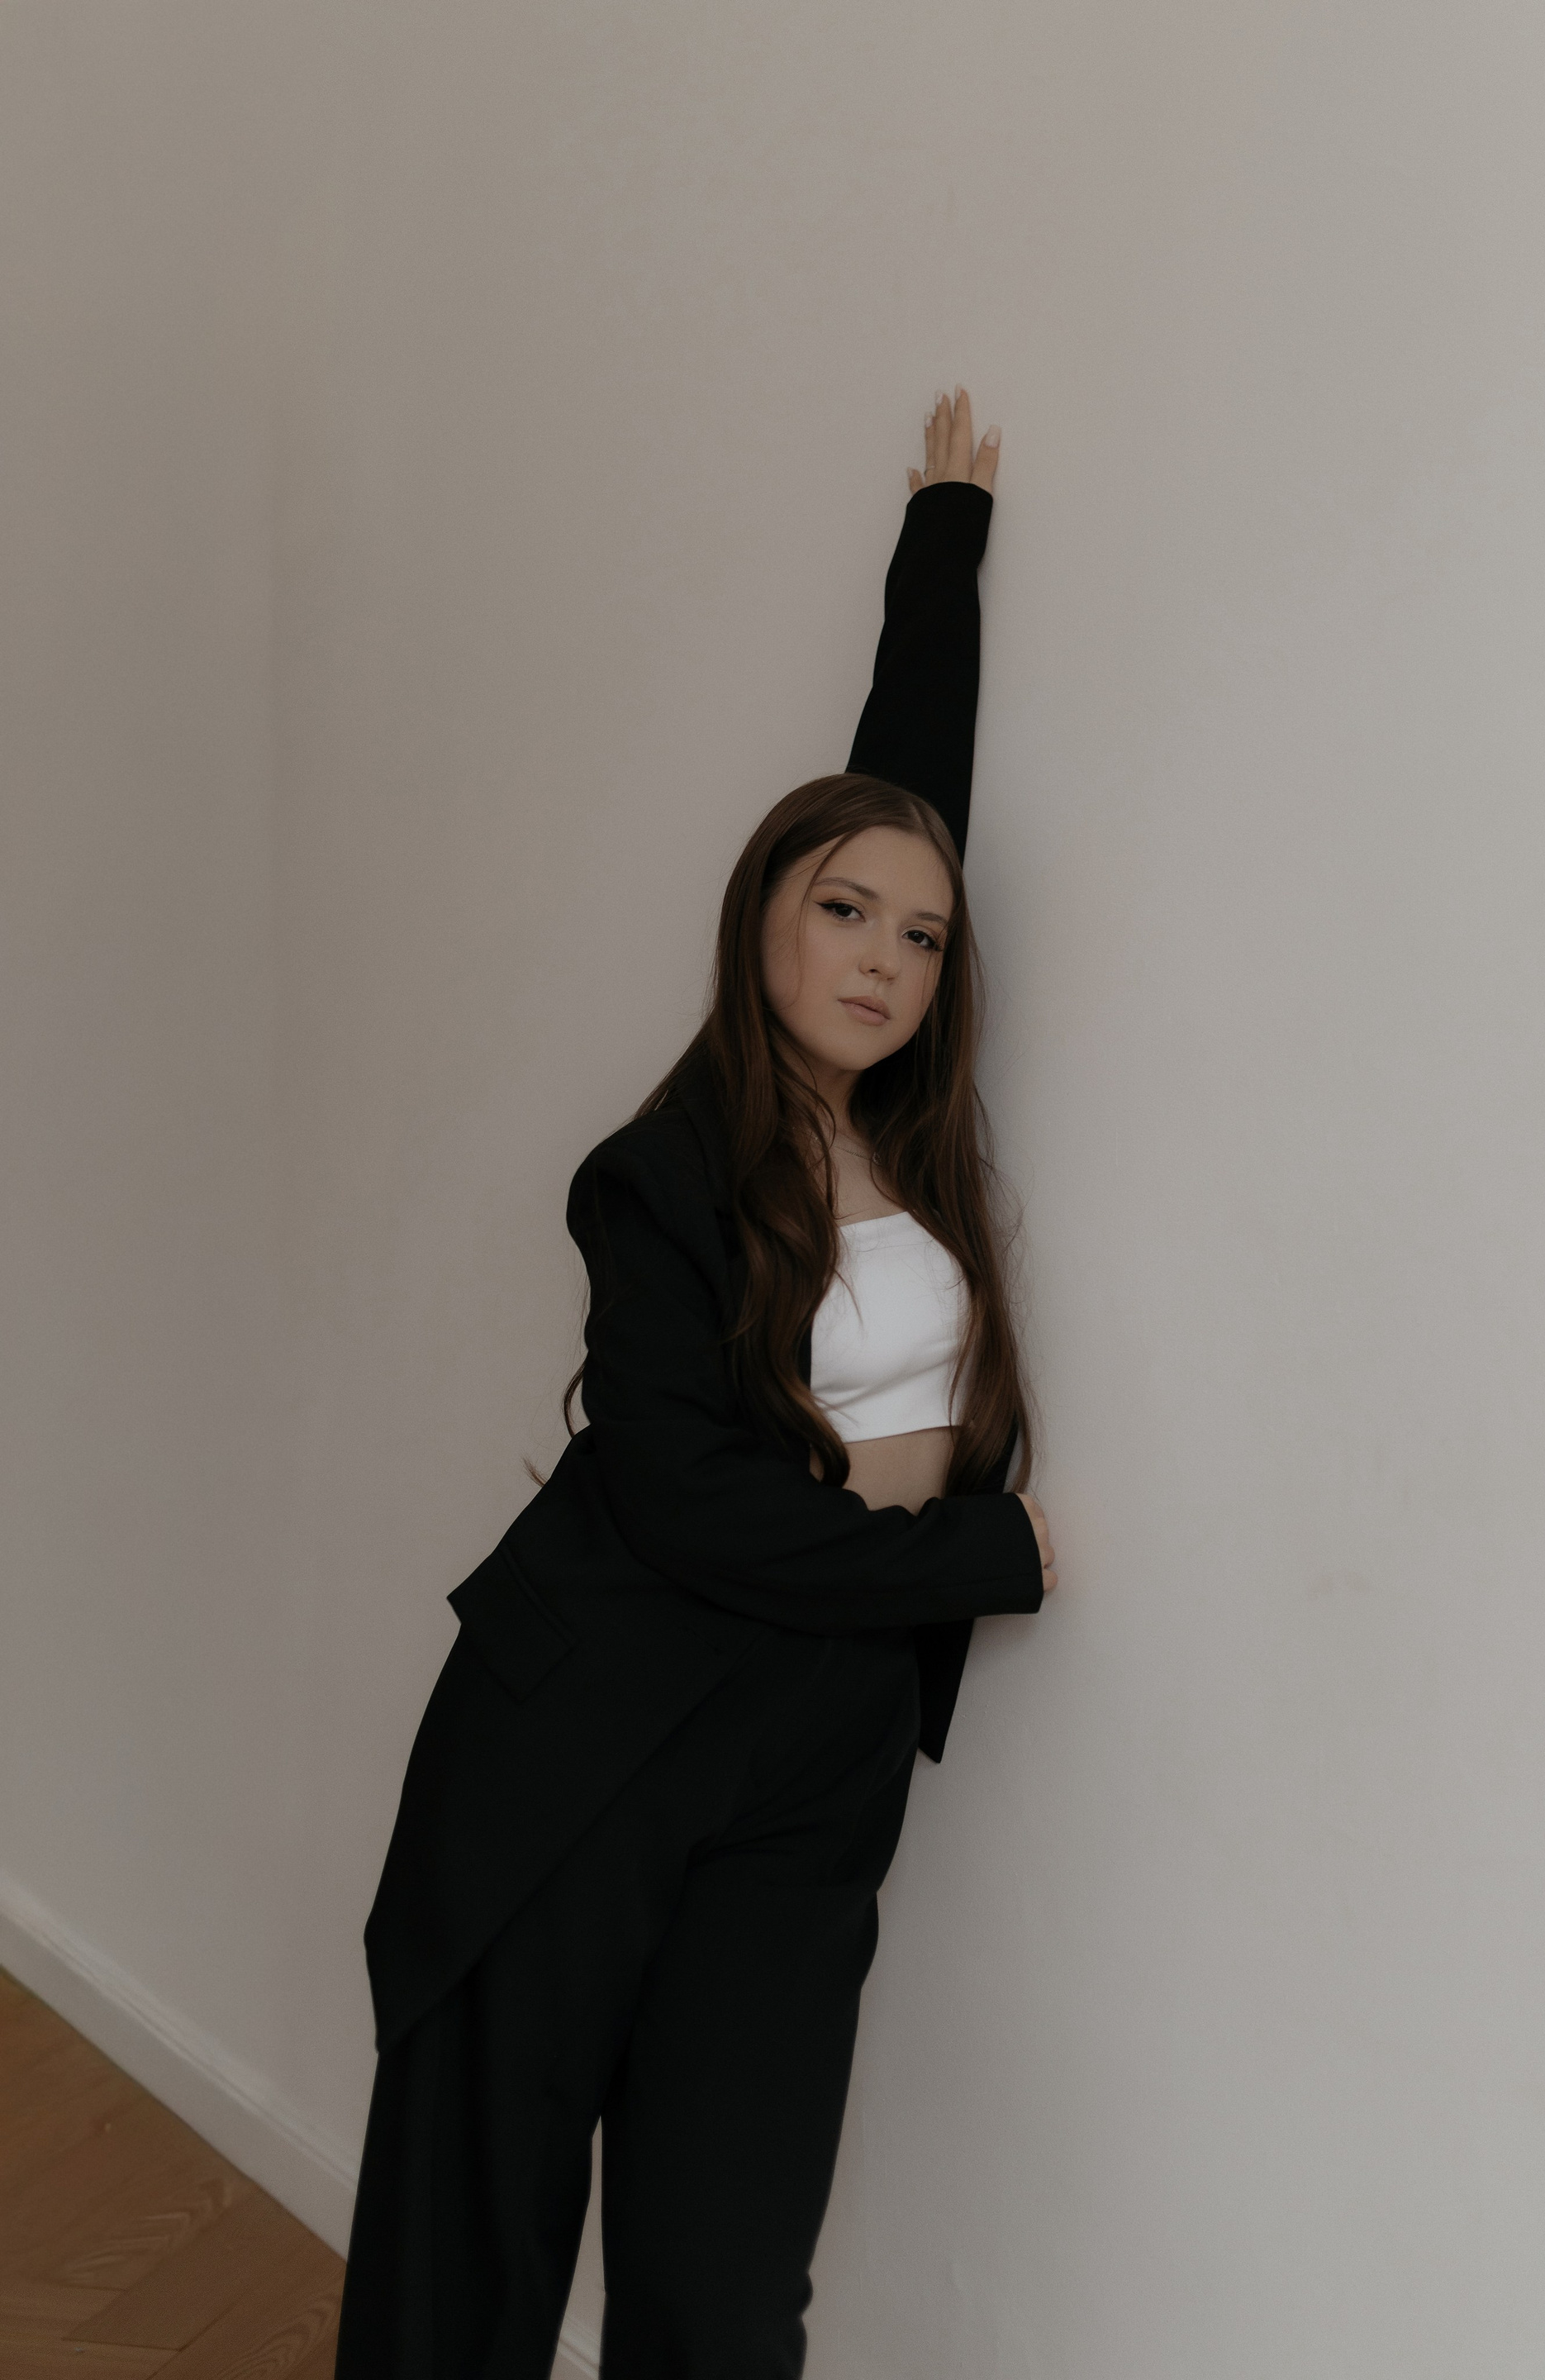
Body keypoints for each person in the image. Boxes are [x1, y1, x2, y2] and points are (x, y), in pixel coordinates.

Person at [333, 388, 1058, 2380]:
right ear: (761, 919)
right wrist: (981, 1551)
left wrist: (942, 547)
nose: (883, 956)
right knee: (466, 2264)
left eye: (921, 938)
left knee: (724, 2293)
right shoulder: (656, 1178)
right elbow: (686, 1507)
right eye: (840, 912)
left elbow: (906, 802)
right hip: (595, 1718)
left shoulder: (909, 1136)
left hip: (816, 1750)